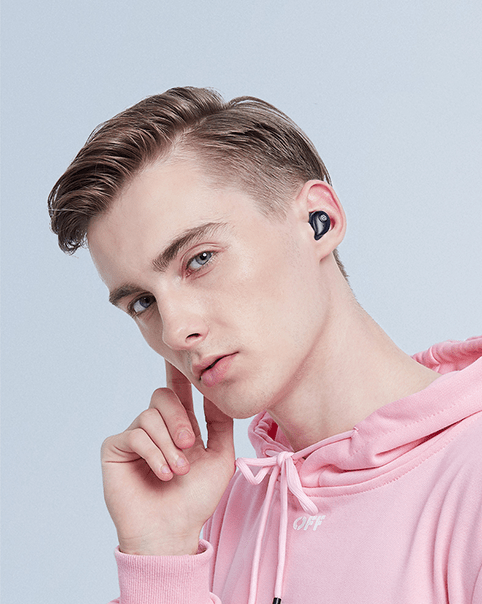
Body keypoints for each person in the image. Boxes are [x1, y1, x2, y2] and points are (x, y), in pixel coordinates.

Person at [48, 87, 482, 604]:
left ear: (318, 222)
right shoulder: (206, 516)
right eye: (143, 302)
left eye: (200, 259)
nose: (174, 330)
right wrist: (161, 557)